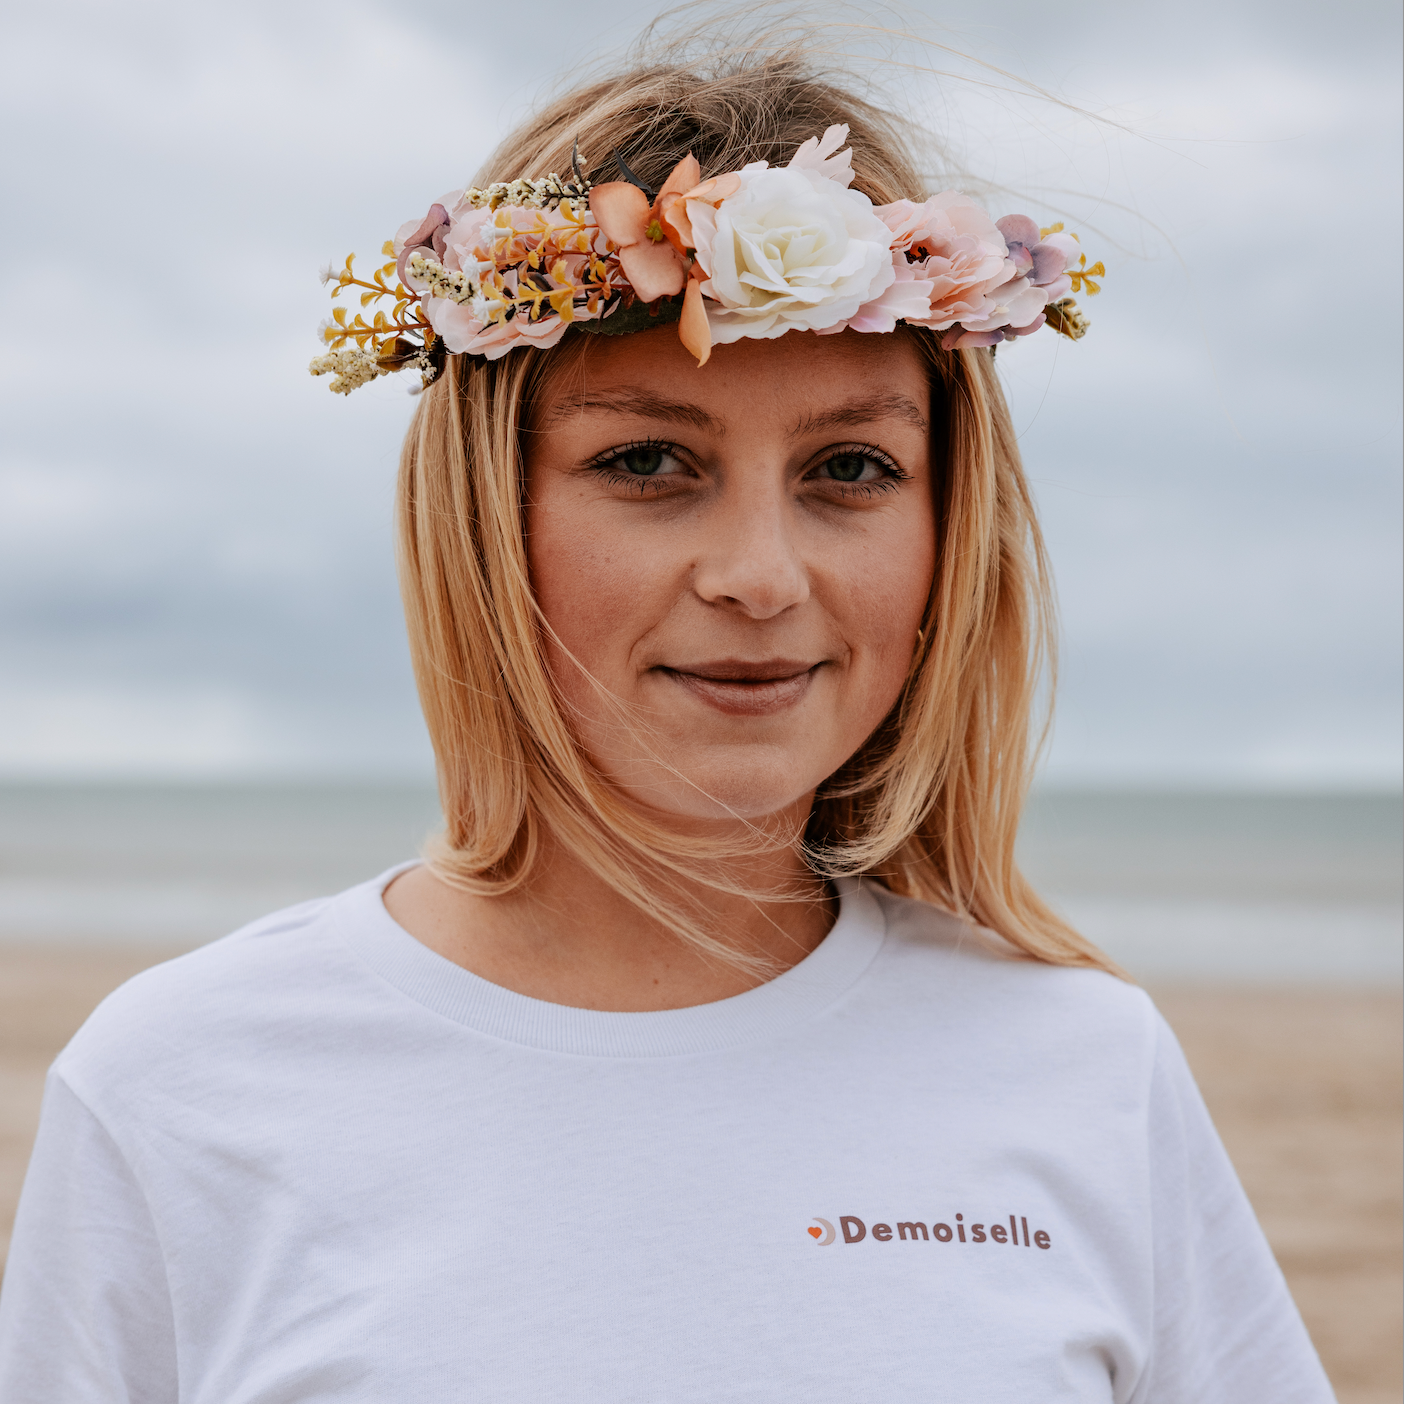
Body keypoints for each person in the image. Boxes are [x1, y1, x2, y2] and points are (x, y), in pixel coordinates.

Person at [0, 27, 1335, 1404]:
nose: (759, 576)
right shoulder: (180, 1089)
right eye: (646, 461)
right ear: (487, 514)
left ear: (952, 525)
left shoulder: (1084, 1068)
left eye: (852, 468)